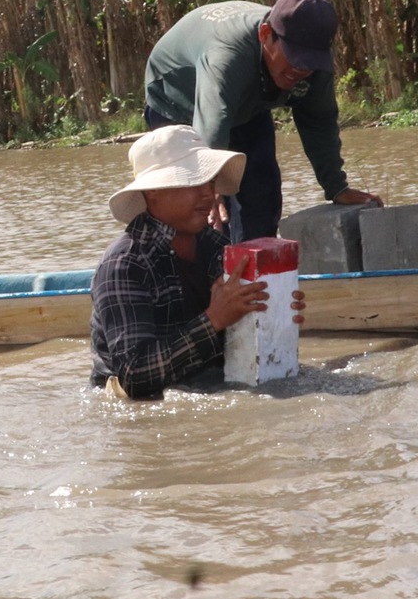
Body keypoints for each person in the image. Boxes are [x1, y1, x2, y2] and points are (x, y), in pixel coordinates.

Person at [142, 0, 381, 240]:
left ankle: (254, 270)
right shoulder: (227, 57)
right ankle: (197, 271)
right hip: (177, 96)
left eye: (310, 61)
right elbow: (212, 122)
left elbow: (319, 122)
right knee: (194, 205)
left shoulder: (314, 66)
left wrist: (336, 187)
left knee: (262, 196)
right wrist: (207, 186)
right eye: (294, 57)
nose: (301, 69)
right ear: (266, 35)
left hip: (247, 101)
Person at [89, 125, 306, 399]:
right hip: (138, 408)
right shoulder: (124, 265)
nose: (208, 193)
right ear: (153, 190)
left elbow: (240, 338)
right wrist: (214, 319)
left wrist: (273, 315)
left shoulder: (216, 247)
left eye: (211, 182)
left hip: (207, 385)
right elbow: (134, 374)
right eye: (194, 181)